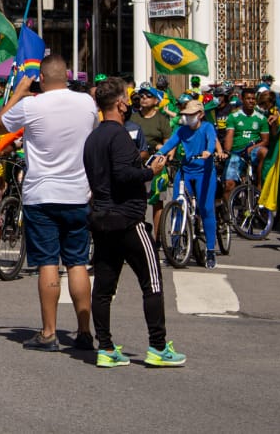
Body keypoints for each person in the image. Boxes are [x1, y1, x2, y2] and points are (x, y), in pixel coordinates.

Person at [0, 53, 98, 352]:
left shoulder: (31, 105)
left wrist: (18, 93)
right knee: (77, 262)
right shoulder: (86, 104)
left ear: (40, 78)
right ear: (67, 75)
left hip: (41, 194)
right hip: (78, 192)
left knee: (48, 263)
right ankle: (83, 331)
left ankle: (49, 332)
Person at [84, 77, 184, 368]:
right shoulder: (119, 136)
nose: (130, 102)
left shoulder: (93, 138)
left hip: (101, 217)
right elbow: (124, 174)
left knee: (104, 287)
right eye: (127, 98)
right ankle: (158, 346)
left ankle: (104, 346)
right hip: (127, 218)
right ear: (119, 104)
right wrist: (150, 170)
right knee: (151, 281)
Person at [159, 100, 225, 269]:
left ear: (200, 115)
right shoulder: (182, 130)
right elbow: (170, 143)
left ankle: (210, 249)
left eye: (191, 115)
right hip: (185, 171)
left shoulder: (207, 127)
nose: (187, 118)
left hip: (205, 172)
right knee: (177, 206)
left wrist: (209, 151)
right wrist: (159, 154)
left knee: (206, 209)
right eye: (185, 115)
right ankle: (176, 245)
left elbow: (211, 140)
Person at [131, 83, 173, 234]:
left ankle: (157, 239)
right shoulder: (133, 118)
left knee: (157, 202)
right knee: (138, 202)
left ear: (156, 100)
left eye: (148, 96)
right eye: (141, 95)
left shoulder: (162, 119)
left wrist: (162, 149)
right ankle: (139, 235)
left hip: (156, 164)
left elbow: (169, 142)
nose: (144, 98)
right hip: (136, 164)